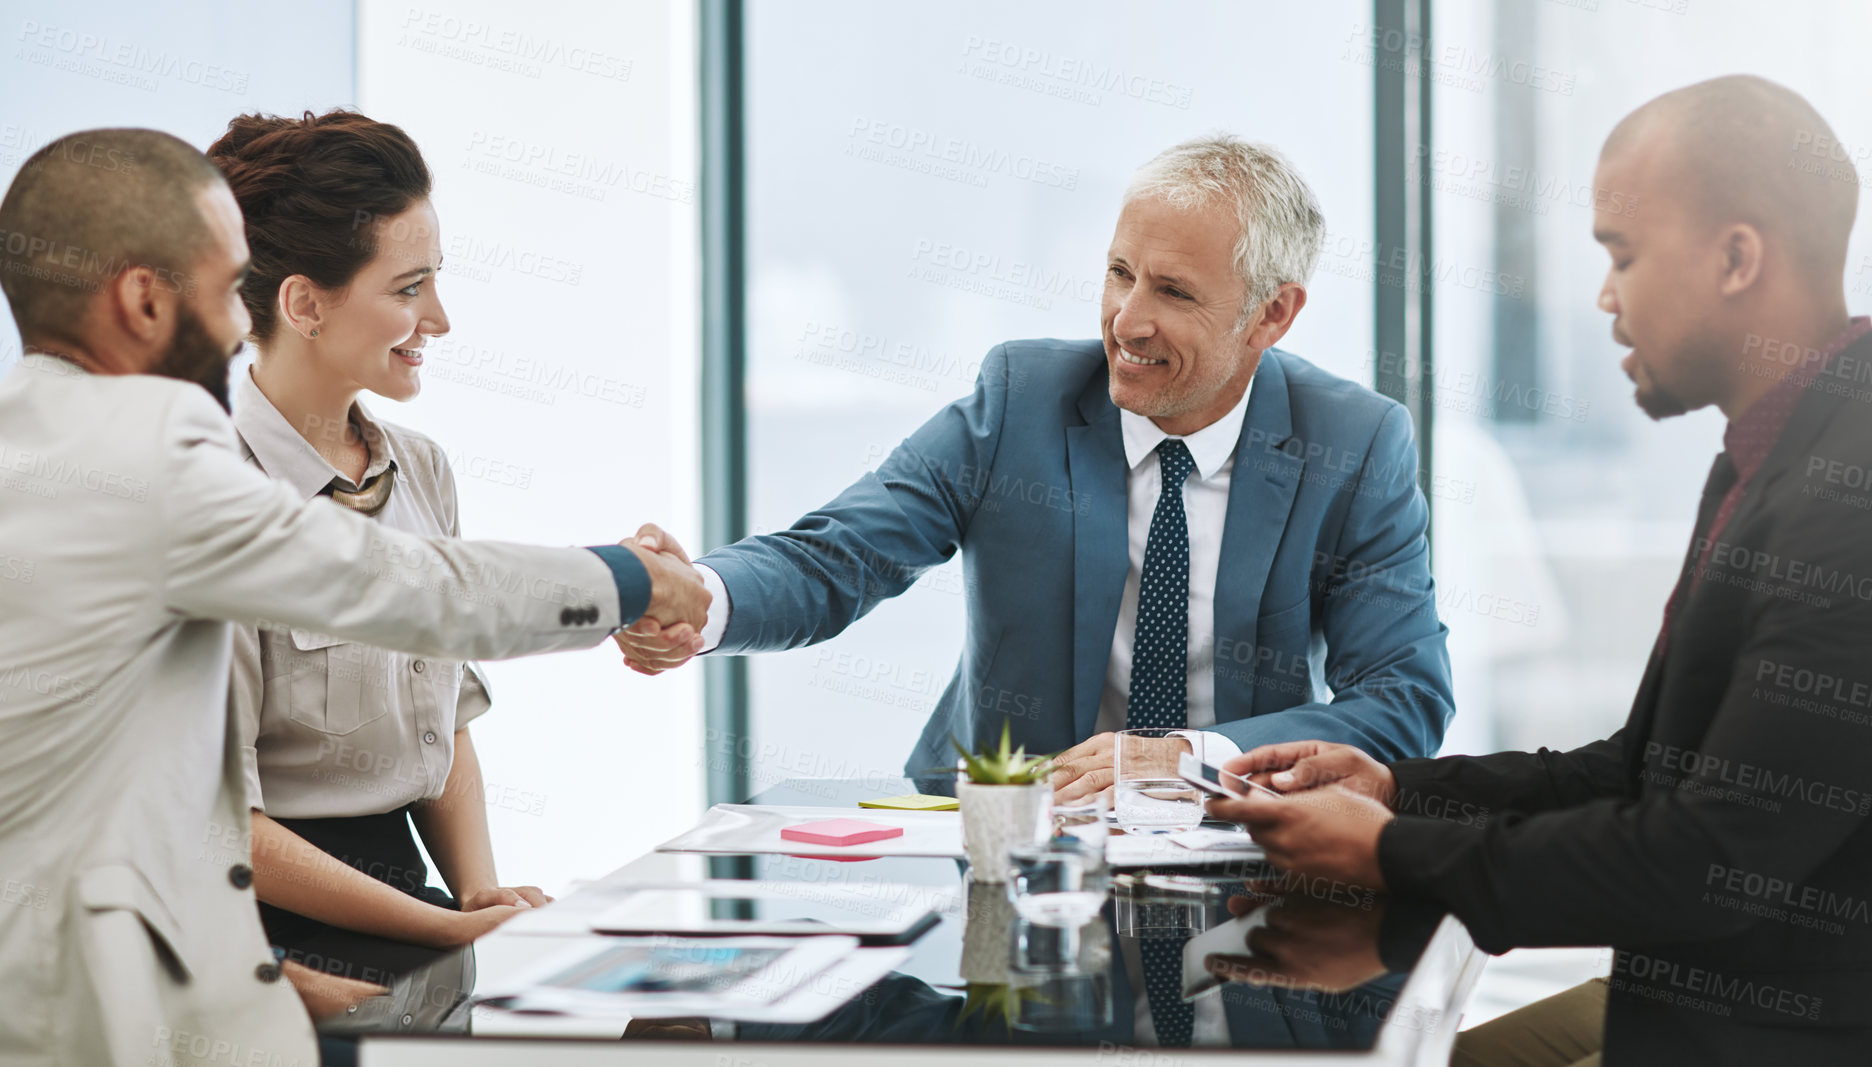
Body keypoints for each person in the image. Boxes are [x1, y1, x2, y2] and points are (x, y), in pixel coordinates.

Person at [0, 127, 706, 1067]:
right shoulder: (157, 460)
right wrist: (630, 579)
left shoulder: (39, 442)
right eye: (222, 295)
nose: (232, 326)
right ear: (141, 299)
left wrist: (438, 920)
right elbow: (405, 590)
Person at [1210, 76, 1872, 1064]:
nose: (1604, 297)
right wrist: (1398, 792)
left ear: (1738, 257)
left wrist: (1388, 850)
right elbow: (1640, 771)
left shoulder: (1845, 494)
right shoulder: (1768, 449)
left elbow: (1707, 854)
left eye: (1624, 256)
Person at [621, 134, 1455, 799]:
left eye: (1174, 292)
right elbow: (840, 553)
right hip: (1000, 845)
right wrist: (703, 596)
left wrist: (1189, 758)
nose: (1126, 321)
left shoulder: (1353, 444)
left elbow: (1402, 697)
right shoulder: (1024, 396)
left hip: (1241, 857)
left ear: (1271, 313)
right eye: (1120, 273)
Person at [200, 109, 549, 975]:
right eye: (409, 288)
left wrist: (480, 897)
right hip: (268, 930)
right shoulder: (211, 496)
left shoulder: (422, 470)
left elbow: (448, 716)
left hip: (409, 906)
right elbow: (221, 821)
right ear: (305, 304)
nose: (440, 318)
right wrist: (442, 930)